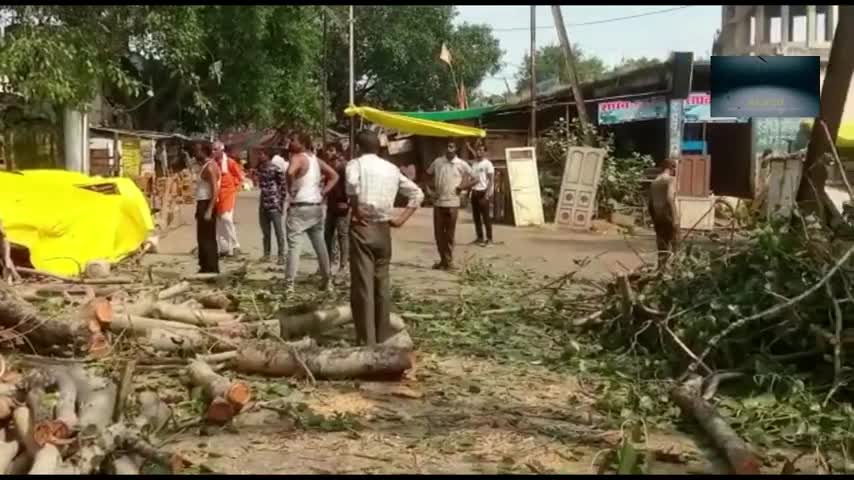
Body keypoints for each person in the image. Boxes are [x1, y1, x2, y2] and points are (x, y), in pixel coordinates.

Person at [346, 130, 424, 345]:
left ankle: (366, 341)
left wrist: (355, 209)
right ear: (378, 147)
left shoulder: (355, 164)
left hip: (363, 226)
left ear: (358, 147)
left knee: (363, 286)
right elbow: (417, 193)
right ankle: (382, 337)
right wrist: (401, 219)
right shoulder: (391, 168)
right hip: (384, 229)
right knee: (382, 285)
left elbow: (352, 185)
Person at [284, 131, 339, 293]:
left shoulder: (297, 157)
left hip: (299, 207)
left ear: (302, 142)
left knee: (294, 247)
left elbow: (289, 172)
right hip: (315, 207)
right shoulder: (316, 160)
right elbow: (334, 176)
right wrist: (323, 192)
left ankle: (289, 285)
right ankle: (327, 281)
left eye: (293, 140)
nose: (290, 143)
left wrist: (291, 188)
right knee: (320, 245)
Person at [425, 140, 477, 270]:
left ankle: (449, 261)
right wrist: (429, 191)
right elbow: (426, 175)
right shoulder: (438, 162)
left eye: (452, 146)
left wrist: (462, 187)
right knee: (438, 234)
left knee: (449, 234)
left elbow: (475, 179)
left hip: (452, 203)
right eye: (447, 146)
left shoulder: (461, 164)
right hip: (438, 203)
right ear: (444, 148)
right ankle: (443, 260)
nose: (449, 149)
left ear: (456, 148)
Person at [322, 141, 350, 275]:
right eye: (327, 150)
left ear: (338, 152)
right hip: (331, 205)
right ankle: (328, 263)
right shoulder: (328, 167)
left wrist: (348, 202)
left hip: (342, 205)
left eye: (331, 150)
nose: (328, 152)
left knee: (342, 236)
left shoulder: (344, 167)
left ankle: (343, 266)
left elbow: (350, 186)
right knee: (327, 235)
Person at [256, 148, 288, 264]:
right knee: (266, 231)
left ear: (267, 155)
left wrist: (281, 202)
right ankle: (267, 254)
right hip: (263, 202)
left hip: (274, 203)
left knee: (278, 231)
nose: (260, 156)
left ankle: (281, 255)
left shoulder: (275, 169)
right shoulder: (260, 168)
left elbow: (283, 186)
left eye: (262, 153)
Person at [648, 157, 680, 270]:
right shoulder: (670, 180)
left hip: (658, 217)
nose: (675, 170)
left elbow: (650, 203)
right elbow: (669, 198)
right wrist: (675, 218)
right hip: (668, 216)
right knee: (675, 245)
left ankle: (661, 270)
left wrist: (653, 218)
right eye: (675, 167)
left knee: (661, 246)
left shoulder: (654, 182)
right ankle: (676, 270)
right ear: (671, 168)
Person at [214, 142, 244, 257]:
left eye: (215, 149)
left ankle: (236, 245)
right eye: (212, 150)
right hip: (217, 195)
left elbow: (240, 176)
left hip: (228, 194)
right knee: (219, 222)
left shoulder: (230, 163)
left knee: (226, 219)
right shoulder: (214, 163)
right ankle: (224, 248)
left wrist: (235, 187)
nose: (213, 152)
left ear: (221, 150)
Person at [195, 143, 221, 273]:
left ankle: (211, 267)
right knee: (202, 236)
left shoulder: (210, 168)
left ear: (204, 151)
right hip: (202, 202)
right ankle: (205, 265)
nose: (195, 153)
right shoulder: (205, 166)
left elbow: (215, 190)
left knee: (207, 237)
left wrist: (209, 209)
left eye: (198, 150)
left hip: (206, 203)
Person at [466, 140, 495, 246]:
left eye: (481, 150)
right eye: (478, 150)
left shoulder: (488, 164)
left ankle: (490, 239)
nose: (479, 152)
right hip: (475, 192)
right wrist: (468, 193)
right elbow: (471, 179)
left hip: (483, 193)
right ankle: (479, 237)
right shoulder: (474, 164)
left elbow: (491, 180)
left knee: (486, 218)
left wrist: (488, 193)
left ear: (484, 152)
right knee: (476, 217)